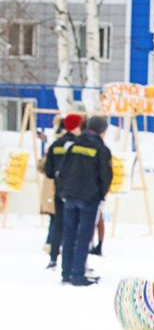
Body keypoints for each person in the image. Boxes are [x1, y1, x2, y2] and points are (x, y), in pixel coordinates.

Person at [55, 115, 111, 286]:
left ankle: (66, 273)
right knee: (84, 236)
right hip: (89, 198)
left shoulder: (74, 145)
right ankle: (78, 274)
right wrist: (101, 195)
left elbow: (62, 170)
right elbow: (105, 176)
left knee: (69, 234)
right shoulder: (101, 149)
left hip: (70, 196)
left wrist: (63, 191)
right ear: (101, 130)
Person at [42, 113, 83, 270]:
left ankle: (53, 257)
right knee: (76, 226)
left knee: (58, 223)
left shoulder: (56, 144)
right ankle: (74, 261)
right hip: (76, 191)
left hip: (59, 189)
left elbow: (49, 170)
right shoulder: (78, 144)